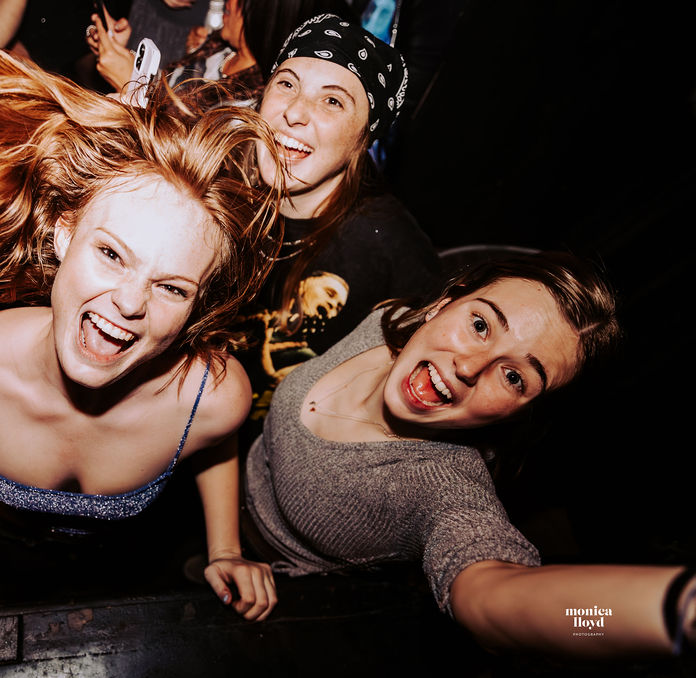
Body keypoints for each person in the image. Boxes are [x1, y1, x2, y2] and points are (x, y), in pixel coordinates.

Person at [0, 1, 283, 665]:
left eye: (173, 287)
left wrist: (225, 546)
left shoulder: (213, 395)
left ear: (198, 303)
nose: (129, 303)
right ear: (64, 232)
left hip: (128, 574)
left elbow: (214, 444)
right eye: (112, 254)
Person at [244, 250, 696, 656]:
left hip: (267, 583)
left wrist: (670, 613)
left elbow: (495, 600)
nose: (468, 366)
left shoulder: (443, 487)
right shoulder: (388, 322)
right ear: (445, 303)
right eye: (480, 325)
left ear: (522, 414)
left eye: (514, 377)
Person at [239, 13, 439, 435]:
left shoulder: (391, 251)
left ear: (363, 140)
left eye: (332, 101)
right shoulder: (220, 192)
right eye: (287, 84)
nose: (294, 112)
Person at [89, 0, 348, 110]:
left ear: (261, 13)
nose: (226, 2)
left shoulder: (254, 100)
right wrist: (125, 54)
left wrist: (133, 84)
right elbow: (171, 88)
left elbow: (183, 153)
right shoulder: (222, 48)